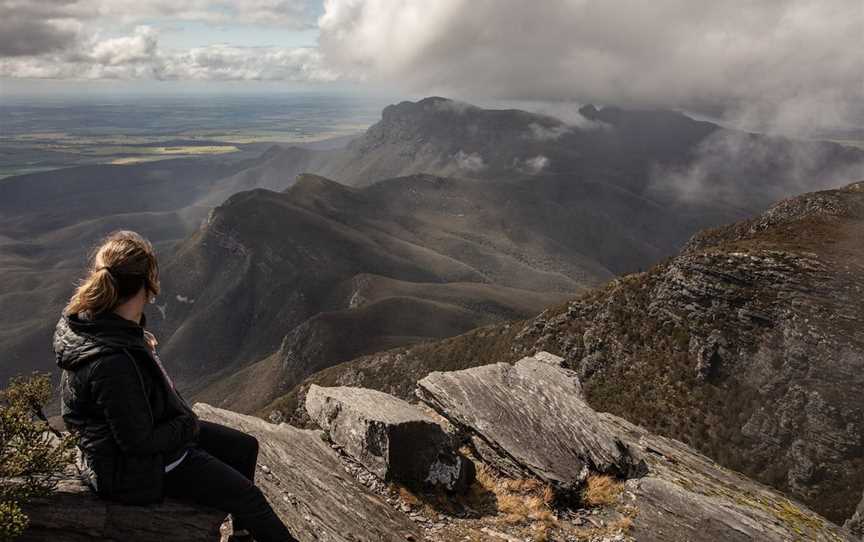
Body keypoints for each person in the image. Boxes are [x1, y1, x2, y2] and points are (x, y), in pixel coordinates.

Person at [54, 230, 297, 542]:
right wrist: (187, 425)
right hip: (131, 467)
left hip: (134, 439)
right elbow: (138, 442)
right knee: (251, 499)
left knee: (244, 446)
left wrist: (135, 340)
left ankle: (243, 535)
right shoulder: (114, 361)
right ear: (148, 282)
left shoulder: (94, 322)